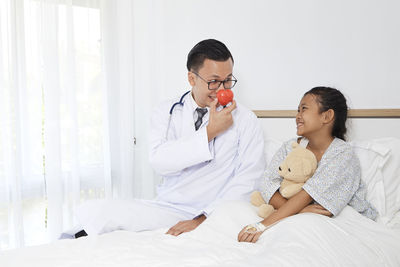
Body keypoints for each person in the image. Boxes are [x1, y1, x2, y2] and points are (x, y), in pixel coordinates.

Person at [72, 39, 265, 237]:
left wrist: (203, 218)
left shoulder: (245, 119)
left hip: (216, 212)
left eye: (228, 80)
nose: (223, 90)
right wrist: (209, 132)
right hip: (168, 209)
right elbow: (159, 161)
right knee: (99, 211)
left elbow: (249, 179)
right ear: (192, 78)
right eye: (214, 81)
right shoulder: (166, 111)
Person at [238, 87, 377, 243]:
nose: (297, 116)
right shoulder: (290, 147)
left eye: (303, 109)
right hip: (297, 216)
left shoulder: (342, 154)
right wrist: (300, 211)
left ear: (327, 116)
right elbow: (267, 183)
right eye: (297, 110)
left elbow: (309, 194)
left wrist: (262, 226)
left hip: (340, 221)